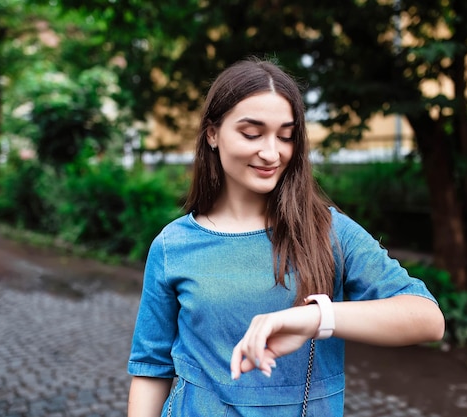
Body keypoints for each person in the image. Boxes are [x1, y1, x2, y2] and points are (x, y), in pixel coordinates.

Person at [127, 57, 445, 417]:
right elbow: (151, 368)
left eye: (286, 136)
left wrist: (314, 318)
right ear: (212, 133)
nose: (271, 152)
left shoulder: (327, 232)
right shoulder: (173, 245)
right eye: (251, 133)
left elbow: (427, 318)